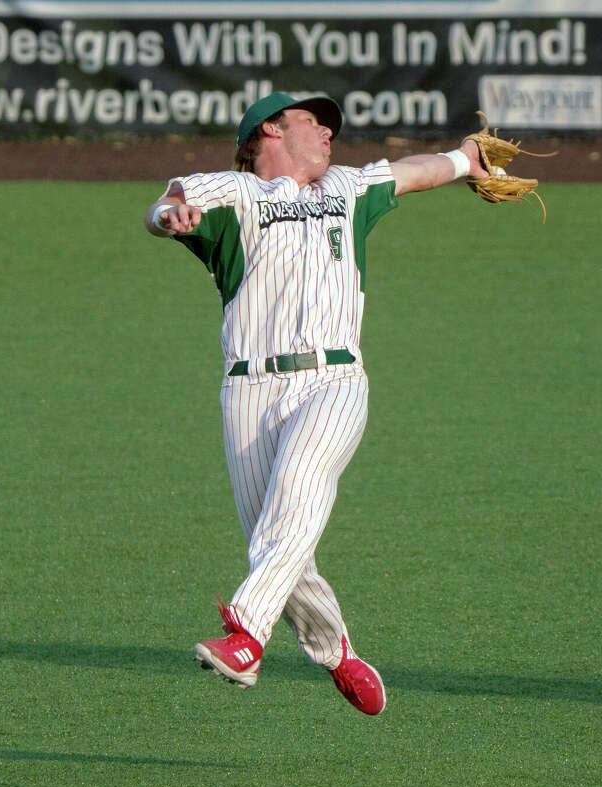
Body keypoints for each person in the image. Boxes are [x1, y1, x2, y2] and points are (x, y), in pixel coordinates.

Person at [143, 92, 490, 715]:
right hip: (247, 389)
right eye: (314, 120)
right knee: (276, 543)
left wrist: (465, 159)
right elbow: (169, 202)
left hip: (334, 379)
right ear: (270, 130)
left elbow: (415, 171)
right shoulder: (234, 192)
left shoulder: (350, 187)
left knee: (300, 485)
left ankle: (247, 636)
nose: (329, 130)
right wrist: (169, 216)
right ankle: (336, 651)